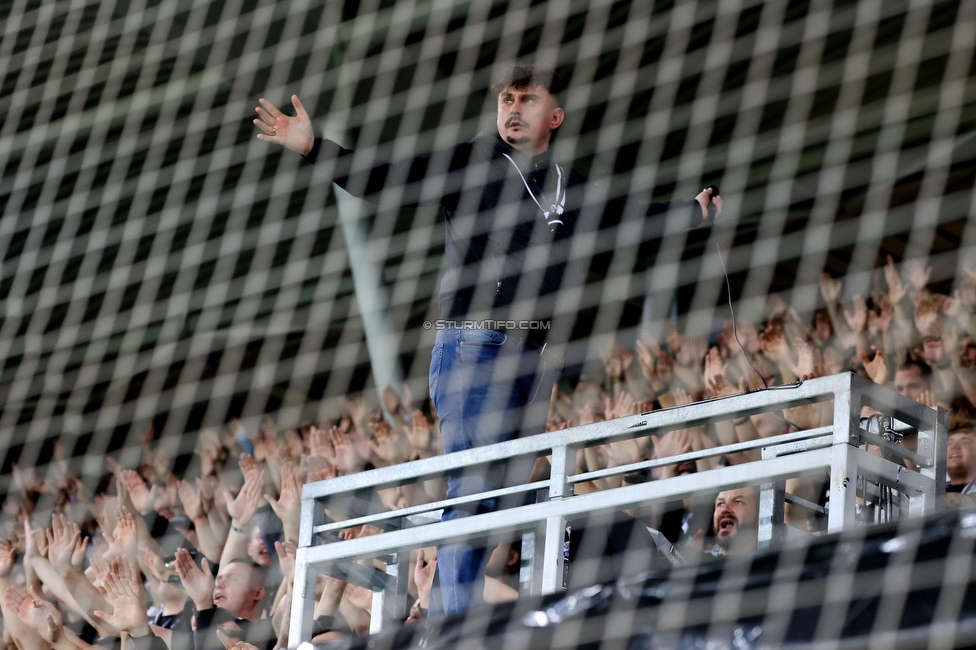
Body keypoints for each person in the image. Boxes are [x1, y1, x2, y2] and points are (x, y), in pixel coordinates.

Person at [253, 63, 722, 614]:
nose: (513, 108)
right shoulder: (472, 160)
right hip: (474, 347)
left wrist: (693, 214)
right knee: (472, 496)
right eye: (506, 98)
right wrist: (316, 149)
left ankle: (466, 612)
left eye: (527, 98)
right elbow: (384, 178)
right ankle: (454, 624)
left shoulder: (567, 185)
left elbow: (630, 217)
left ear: (556, 116)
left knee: (497, 505)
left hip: (533, 360)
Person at [711, 487, 759, 556]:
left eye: (738, 502)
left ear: (758, 514)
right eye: (720, 504)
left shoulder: (771, 562)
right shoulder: (703, 565)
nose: (724, 509)